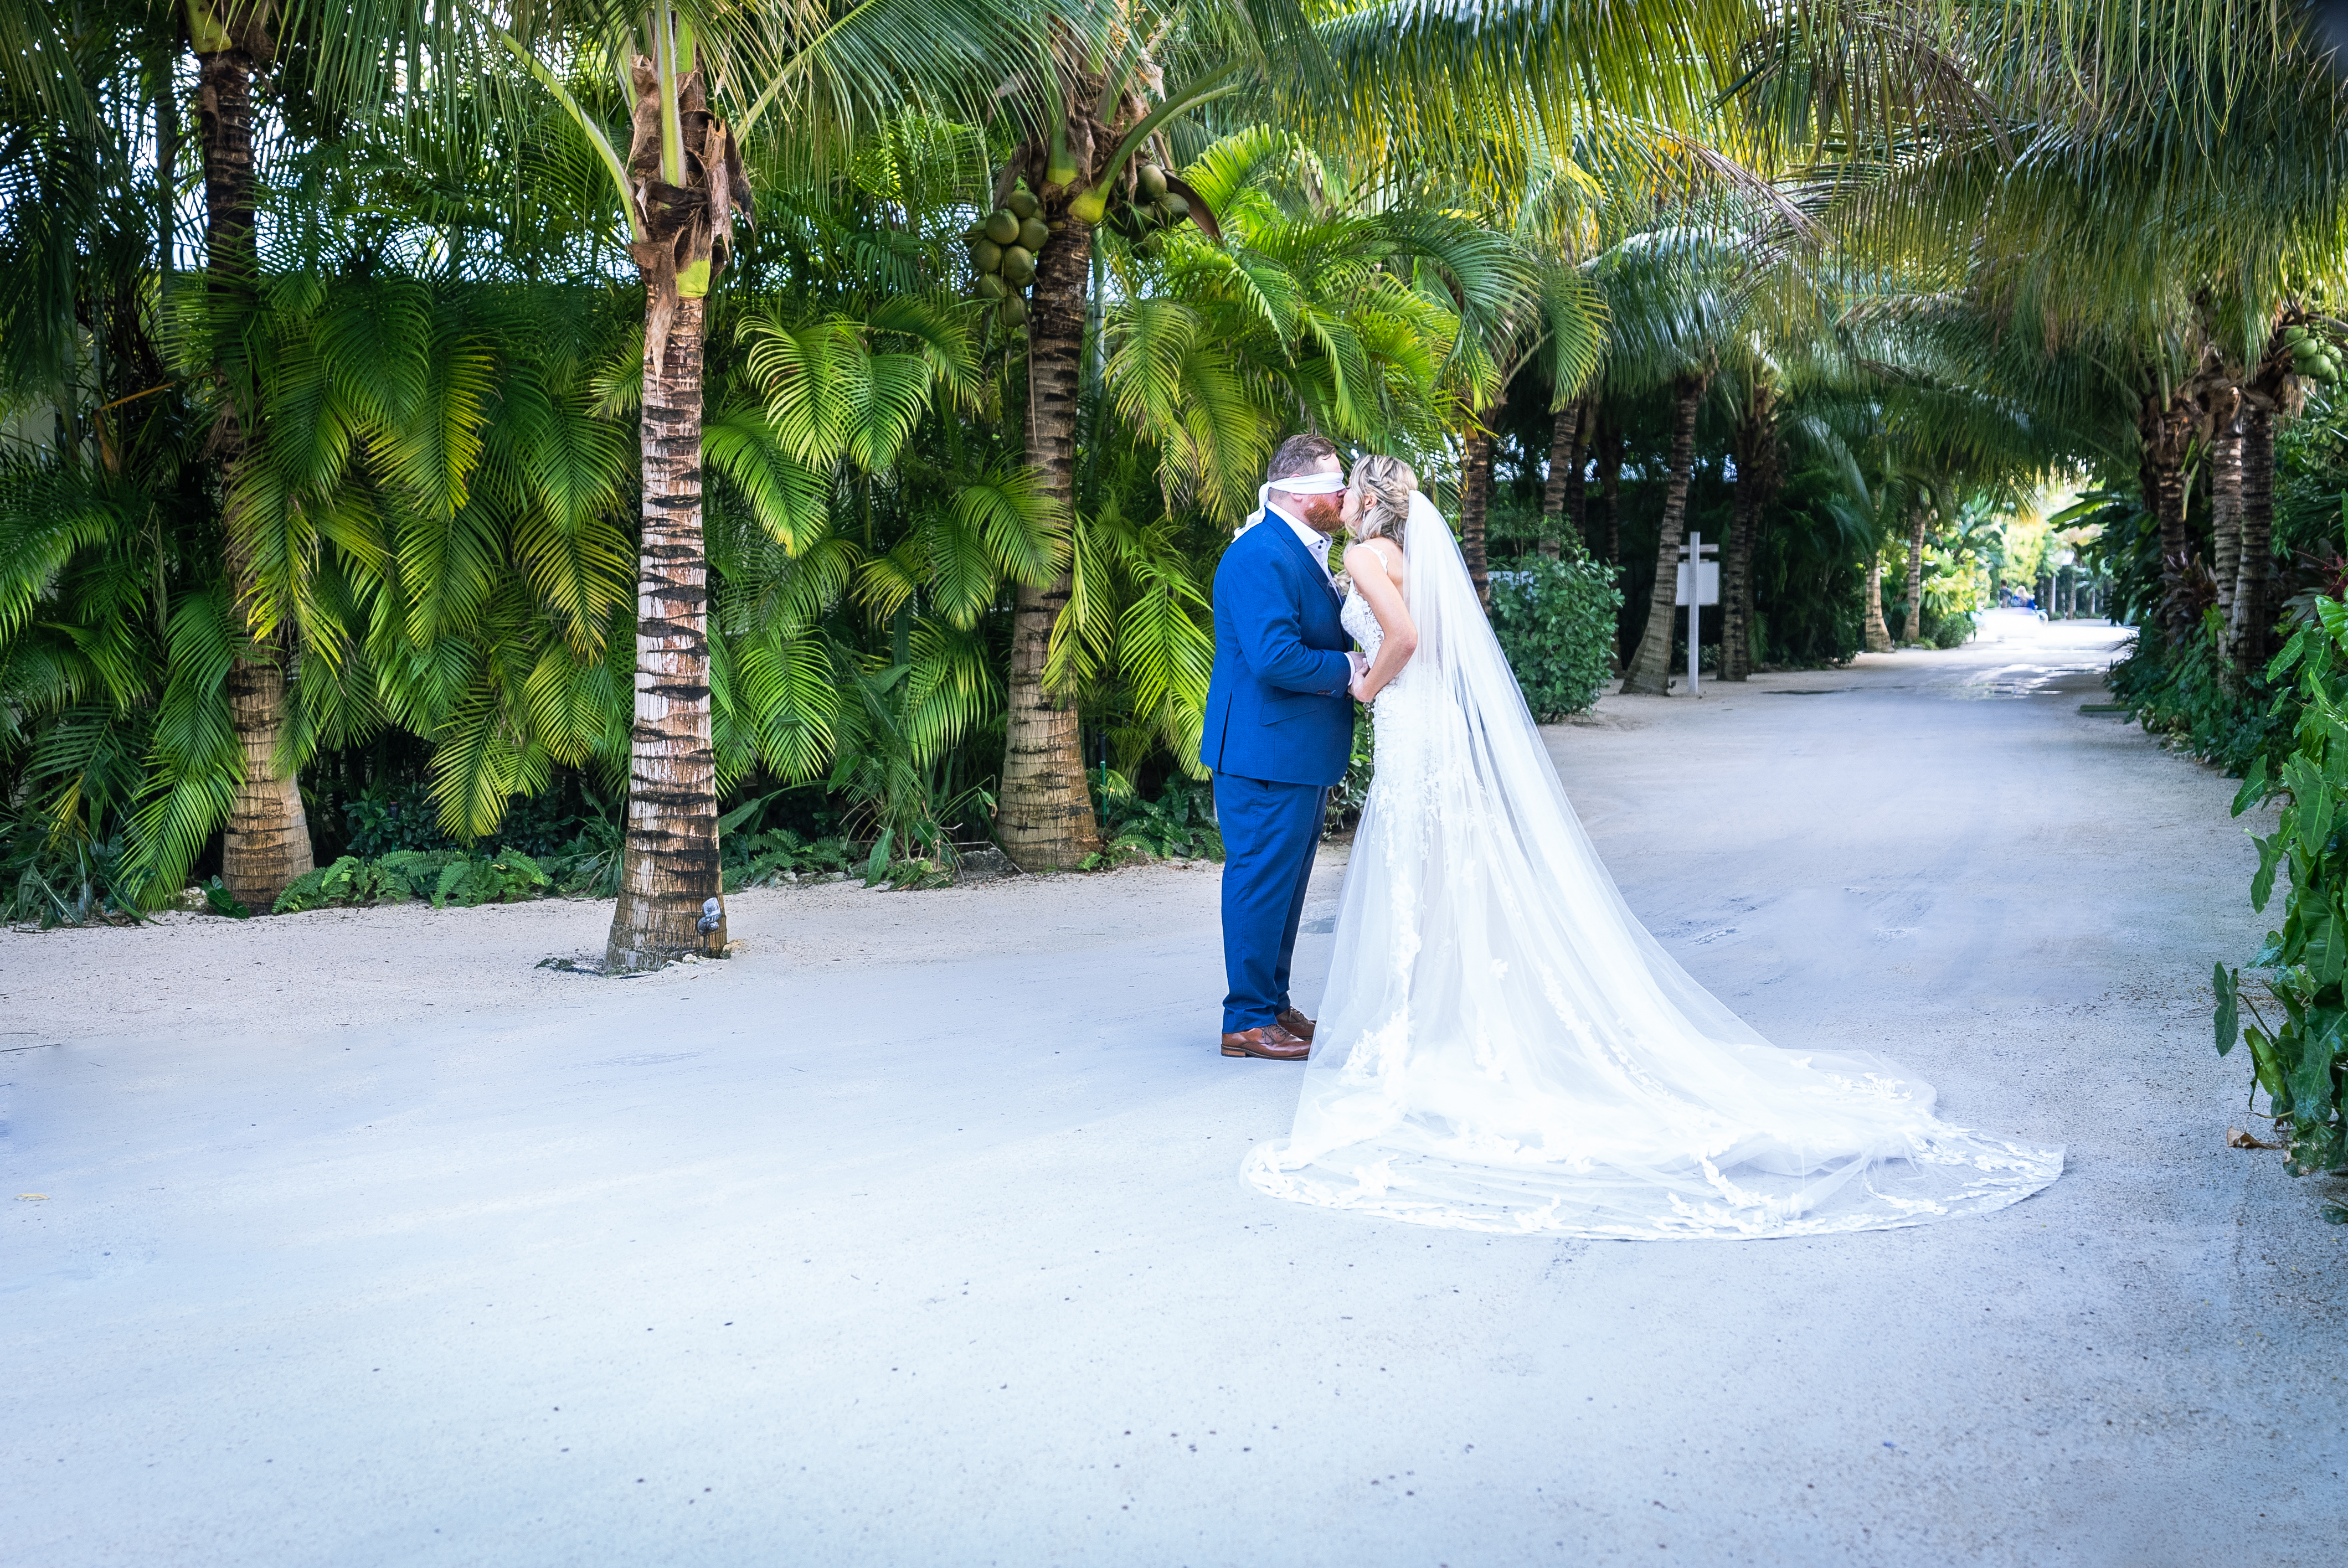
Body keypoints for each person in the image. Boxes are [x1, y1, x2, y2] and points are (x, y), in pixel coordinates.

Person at [1243, 455, 2064, 1238]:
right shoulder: (1408, 552)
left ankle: (1415, 1028)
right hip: (1426, 731)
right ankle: (1424, 1021)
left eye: (1351, 487)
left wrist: (1364, 681)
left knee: (1414, 876)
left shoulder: (1366, 554)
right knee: (1435, 876)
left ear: (1371, 501)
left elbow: (1405, 641)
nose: (1341, 495)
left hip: (1411, 725)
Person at [1199, 434, 1362, 1061]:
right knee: (1261, 880)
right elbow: (1273, 659)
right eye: (1335, 485)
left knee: (1286, 884)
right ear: (1300, 493)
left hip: (1290, 750)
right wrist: (1351, 668)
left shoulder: (1295, 548)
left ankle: (1270, 1004)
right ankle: (1244, 1020)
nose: (1345, 495)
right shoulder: (1261, 555)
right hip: (1263, 751)